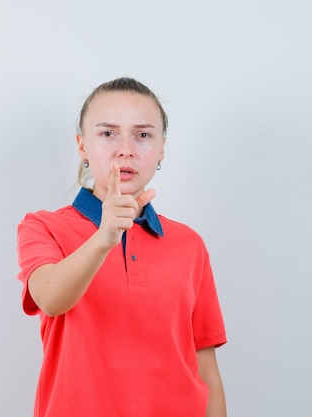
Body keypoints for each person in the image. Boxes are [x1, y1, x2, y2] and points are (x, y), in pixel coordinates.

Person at [16, 77, 227, 417]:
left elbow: (207, 372)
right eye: (108, 133)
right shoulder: (43, 227)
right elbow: (50, 299)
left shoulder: (190, 245)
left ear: (161, 149)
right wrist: (104, 237)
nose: (125, 149)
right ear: (82, 146)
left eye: (143, 135)